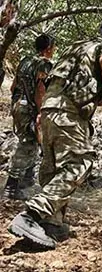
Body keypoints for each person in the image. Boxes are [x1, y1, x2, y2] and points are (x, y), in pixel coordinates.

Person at [8, 18, 102, 249]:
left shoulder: (77, 46)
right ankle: (32, 215)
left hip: (48, 110)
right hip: (68, 112)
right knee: (79, 163)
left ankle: (50, 223)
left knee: (52, 168)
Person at [2, 34, 56, 200]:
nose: (54, 51)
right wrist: (41, 112)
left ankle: (26, 180)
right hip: (29, 109)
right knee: (26, 145)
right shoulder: (44, 64)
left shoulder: (25, 60)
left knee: (30, 142)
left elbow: (13, 87)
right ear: (48, 49)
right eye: (53, 48)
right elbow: (40, 90)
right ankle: (11, 186)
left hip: (18, 106)